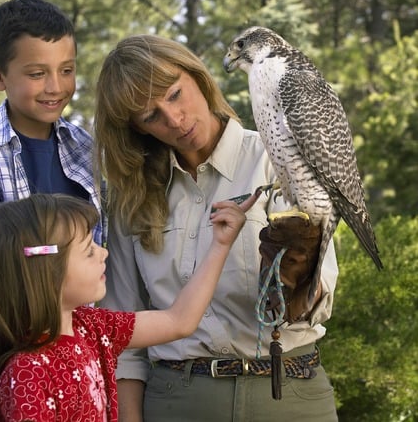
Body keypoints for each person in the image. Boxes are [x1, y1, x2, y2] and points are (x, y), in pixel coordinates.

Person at [94, 35, 340, 421]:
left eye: (175, 94)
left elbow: (318, 304)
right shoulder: (131, 197)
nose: (173, 119)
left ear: (199, 78)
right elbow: (123, 338)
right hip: (177, 400)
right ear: (137, 128)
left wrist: (296, 277)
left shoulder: (276, 159)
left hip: (288, 392)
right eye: (150, 116)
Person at [0, 191, 255, 421]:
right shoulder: (27, 374)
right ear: (46, 272)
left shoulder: (91, 327)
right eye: (88, 251)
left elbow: (179, 321)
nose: (104, 253)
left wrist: (221, 245)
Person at [0, 0, 105, 386]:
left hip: (84, 367)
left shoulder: (84, 148)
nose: (56, 87)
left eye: (67, 70)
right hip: (15, 376)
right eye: (37, 73)